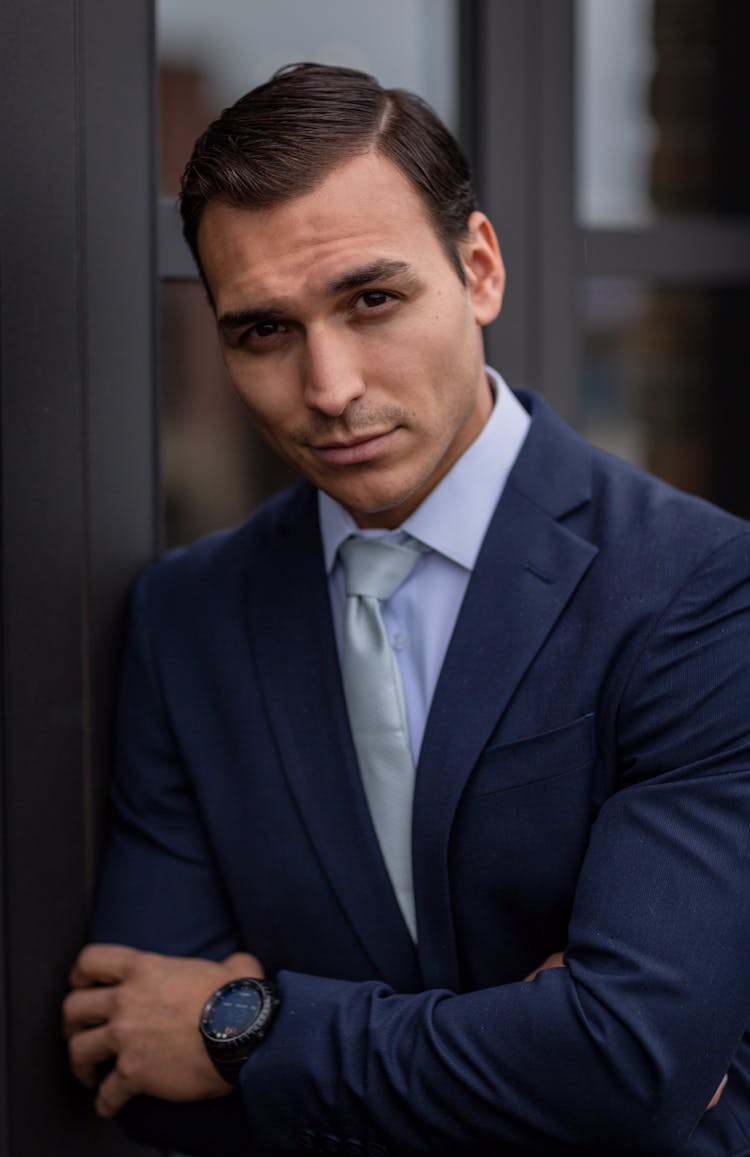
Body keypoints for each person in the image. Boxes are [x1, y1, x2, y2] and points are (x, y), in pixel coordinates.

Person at [62, 63, 750, 1156]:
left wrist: (244, 1026)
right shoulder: (187, 616)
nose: (329, 385)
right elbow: (137, 1064)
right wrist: (530, 1050)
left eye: (370, 300)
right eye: (263, 332)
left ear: (478, 268)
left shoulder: (698, 586)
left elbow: (630, 1066)